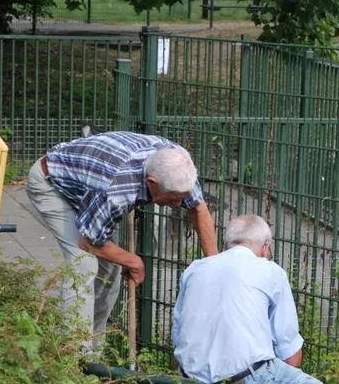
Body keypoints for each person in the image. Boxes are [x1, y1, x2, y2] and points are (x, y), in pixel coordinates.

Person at [26, 131, 218, 354]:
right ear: (152, 183)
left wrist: (214, 267)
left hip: (90, 186)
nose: (178, 205)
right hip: (53, 185)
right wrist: (133, 261)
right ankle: (73, 356)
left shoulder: (179, 167)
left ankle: (94, 354)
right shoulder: (117, 190)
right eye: (174, 198)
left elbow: (198, 208)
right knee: (84, 264)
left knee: (109, 273)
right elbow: (88, 242)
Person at [172, 215, 332, 384]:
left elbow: (178, 337)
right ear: (266, 247)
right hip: (242, 382)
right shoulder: (271, 272)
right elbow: (289, 351)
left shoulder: (194, 269)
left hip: (190, 381)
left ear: (227, 245)